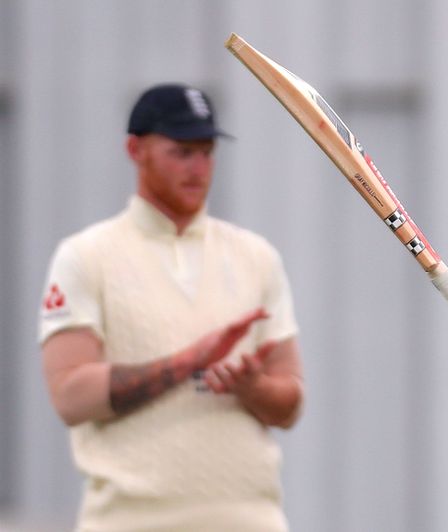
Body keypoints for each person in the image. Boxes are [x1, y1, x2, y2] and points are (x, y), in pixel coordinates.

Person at [38, 83, 304, 531]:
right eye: (182, 152)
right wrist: (189, 361)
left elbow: (291, 403)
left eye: (206, 152)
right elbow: (70, 396)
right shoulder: (86, 256)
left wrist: (252, 387)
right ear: (135, 150)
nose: (199, 168)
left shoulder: (256, 256)